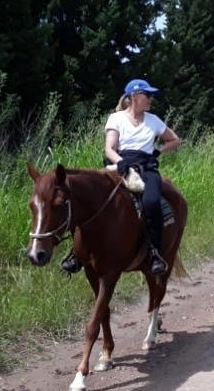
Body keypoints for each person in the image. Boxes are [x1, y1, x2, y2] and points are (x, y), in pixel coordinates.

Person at [60, 79, 183, 276]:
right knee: (86, 197)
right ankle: (76, 253)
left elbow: (175, 140)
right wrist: (121, 162)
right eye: (148, 95)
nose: (151, 99)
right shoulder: (116, 118)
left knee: (151, 202)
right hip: (119, 164)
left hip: (146, 167)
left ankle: (154, 253)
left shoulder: (154, 120)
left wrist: (158, 151)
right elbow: (109, 148)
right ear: (135, 97)